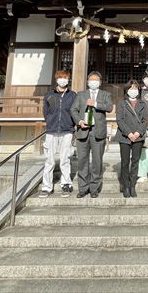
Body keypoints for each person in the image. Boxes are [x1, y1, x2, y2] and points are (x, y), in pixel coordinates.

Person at [70, 71, 113, 198]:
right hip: (83, 131)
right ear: (88, 82)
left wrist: (95, 104)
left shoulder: (105, 94)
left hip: (98, 131)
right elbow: (73, 109)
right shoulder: (81, 95)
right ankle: (83, 188)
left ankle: (94, 188)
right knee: (82, 161)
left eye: (96, 79)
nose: (93, 81)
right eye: (91, 79)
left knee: (97, 161)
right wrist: (79, 121)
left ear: (99, 82)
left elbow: (109, 107)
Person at [40, 70, 77, 198]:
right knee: (49, 160)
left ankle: (66, 184)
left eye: (65, 77)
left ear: (68, 80)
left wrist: (72, 126)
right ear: (56, 79)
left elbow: (75, 111)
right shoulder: (49, 95)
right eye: (61, 77)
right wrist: (50, 122)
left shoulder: (72, 95)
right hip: (51, 130)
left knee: (65, 159)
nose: (63, 80)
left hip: (67, 130)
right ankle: (46, 186)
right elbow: (46, 112)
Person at [116, 80, 148, 198]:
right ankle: (125, 185)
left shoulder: (143, 104)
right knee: (125, 162)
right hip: (125, 136)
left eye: (135, 88)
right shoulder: (121, 103)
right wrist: (129, 133)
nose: (133, 90)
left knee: (135, 161)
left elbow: (145, 120)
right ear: (127, 90)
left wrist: (138, 132)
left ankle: (132, 185)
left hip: (138, 137)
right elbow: (119, 119)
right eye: (131, 88)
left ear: (138, 90)